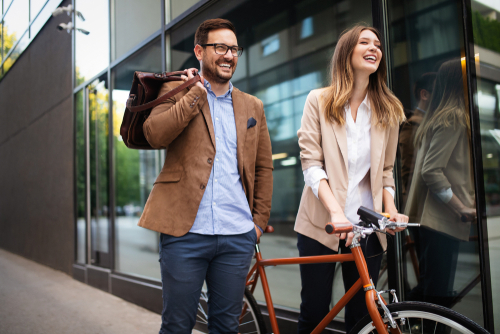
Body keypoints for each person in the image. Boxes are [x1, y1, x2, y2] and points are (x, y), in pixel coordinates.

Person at [138, 18, 274, 334]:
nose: (229, 55)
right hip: (185, 233)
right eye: (221, 47)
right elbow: (155, 134)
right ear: (199, 50)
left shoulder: (253, 106)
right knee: (177, 325)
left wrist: (256, 222)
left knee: (226, 327)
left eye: (234, 49)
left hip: (236, 235)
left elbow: (263, 167)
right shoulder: (177, 89)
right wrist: (195, 93)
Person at [294, 25, 408, 333]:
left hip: (367, 227)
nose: (374, 48)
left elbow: (385, 171)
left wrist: (391, 209)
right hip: (322, 225)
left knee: (362, 317)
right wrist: (335, 212)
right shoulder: (318, 100)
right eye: (365, 42)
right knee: (314, 312)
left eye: (378, 45)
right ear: (347, 51)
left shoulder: (388, 110)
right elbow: (311, 164)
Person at [405, 59, 476, 307]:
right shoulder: (454, 117)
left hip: (429, 218)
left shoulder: (435, 118)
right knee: (438, 294)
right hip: (441, 218)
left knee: (432, 288)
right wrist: (462, 208)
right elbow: (431, 171)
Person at [399, 72, 436, 202]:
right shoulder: (413, 124)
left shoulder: (431, 122)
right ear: (424, 94)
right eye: (439, 93)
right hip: (422, 201)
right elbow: (409, 173)